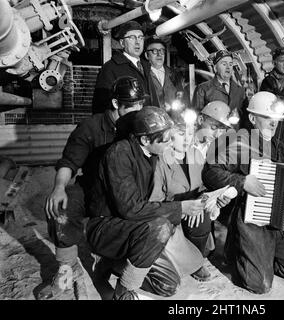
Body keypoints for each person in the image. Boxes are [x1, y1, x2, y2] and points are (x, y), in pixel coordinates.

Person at [38, 76, 146, 300]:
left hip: (125, 191)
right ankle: (66, 271)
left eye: (141, 104)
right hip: (92, 190)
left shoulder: (138, 125)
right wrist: (59, 187)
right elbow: (69, 163)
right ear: (116, 104)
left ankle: (116, 264)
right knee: (62, 207)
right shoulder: (91, 127)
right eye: (132, 106)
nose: (139, 110)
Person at [86, 107, 208, 300]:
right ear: (145, 140)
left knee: (167, 286)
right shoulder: (119, 154)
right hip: (107, 226)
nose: (170, 143)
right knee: (160, 226)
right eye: (166, 139)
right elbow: (130, 208)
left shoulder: (151, 154)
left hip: (136, 224)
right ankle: (123, 289)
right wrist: (179, 208)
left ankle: (116, 263)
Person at [202, 91, 284, 294]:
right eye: (267, 118)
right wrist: (242, 181)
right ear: (252, 118)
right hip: (251, 219)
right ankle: (239, 254)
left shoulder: (278, 146)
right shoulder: (239, 142)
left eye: (276, 120)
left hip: (277, 219)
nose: (273, 124)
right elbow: (210, 172)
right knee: (260, 285)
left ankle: (261, 256)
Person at [149, 105, 234, 280]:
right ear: (169, 135)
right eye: (181, 134)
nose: (187, 139)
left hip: (191, 211)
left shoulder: (196, 154)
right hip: (168, 214)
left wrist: (204, 200)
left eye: (189, 133)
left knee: (201, 219)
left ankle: (196, 260)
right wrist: (181, 208)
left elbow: (204, 187)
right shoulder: (159, 160)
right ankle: (178, 257)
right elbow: (154, 202)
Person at [92, 21, 151, 114]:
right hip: (127, 124)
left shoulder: (148, 66)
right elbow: (101, 106)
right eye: (132, 38)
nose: (137, 42)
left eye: (140, 38)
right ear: (122, 43)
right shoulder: (110, 68)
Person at [191, 50, 245, 127]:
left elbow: (244, 116)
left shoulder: (240, 90)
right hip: (213, 135)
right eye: (224, 64)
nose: (228, 67)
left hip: (234, 135)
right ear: (215, 68)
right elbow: (197, 115)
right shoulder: (203, 89)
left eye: (230, 64)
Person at [143, 37, 187, 109]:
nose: (159, 54)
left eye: (162, 50)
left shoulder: (173, 74)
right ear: (146, 55)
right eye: (154, 51)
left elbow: (180, 94)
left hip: (172, 117)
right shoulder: (144, 74)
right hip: (152, 117)